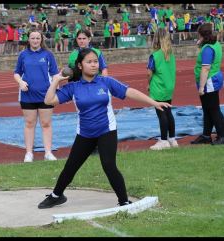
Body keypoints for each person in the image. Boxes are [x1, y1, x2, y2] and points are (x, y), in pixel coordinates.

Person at [37, 48, 172, 209]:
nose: (94, 65)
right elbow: (49, 100)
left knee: (109, 165)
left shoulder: (106, 82)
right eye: (89, 62)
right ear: (80, 66)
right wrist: (56, 80)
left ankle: (124, 201)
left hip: (106, 131)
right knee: (71, 166)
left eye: (96, 61)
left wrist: (154, 103)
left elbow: (130, 92)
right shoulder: (74, 87)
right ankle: (56, 196)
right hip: (85, 133)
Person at [13, 30, 60, 162]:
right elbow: (16, 73)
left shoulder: (48, 55)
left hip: (46, 96)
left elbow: (55, 74)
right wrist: (20, 82)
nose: (35, 40)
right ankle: (29, 153)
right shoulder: (23, 55)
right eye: (32, 38)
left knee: (46, 123)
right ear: (28, 39)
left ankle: (48, 153)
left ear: (41, 39)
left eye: (37, 38)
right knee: (29, 123)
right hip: (27, 95)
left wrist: (56, 89)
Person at [191, 23, 224, 145]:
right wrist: (201, 45)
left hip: (209, 81)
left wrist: (201, 87)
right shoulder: (214, 44)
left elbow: (205, 68)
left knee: (213, 109)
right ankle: (206, 135)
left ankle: (222, 135)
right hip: (213, 78)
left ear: (201, 35)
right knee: (207, 109)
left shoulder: (208, 49)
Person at [147, 29, 178, 150]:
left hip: (158, 87)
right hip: (169, 86)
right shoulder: (170, 54)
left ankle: (164, 140)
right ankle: (172, 139)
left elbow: (149, 73)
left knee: (161, 114)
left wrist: (148, 84)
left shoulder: (155, 55)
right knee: (168, 112)